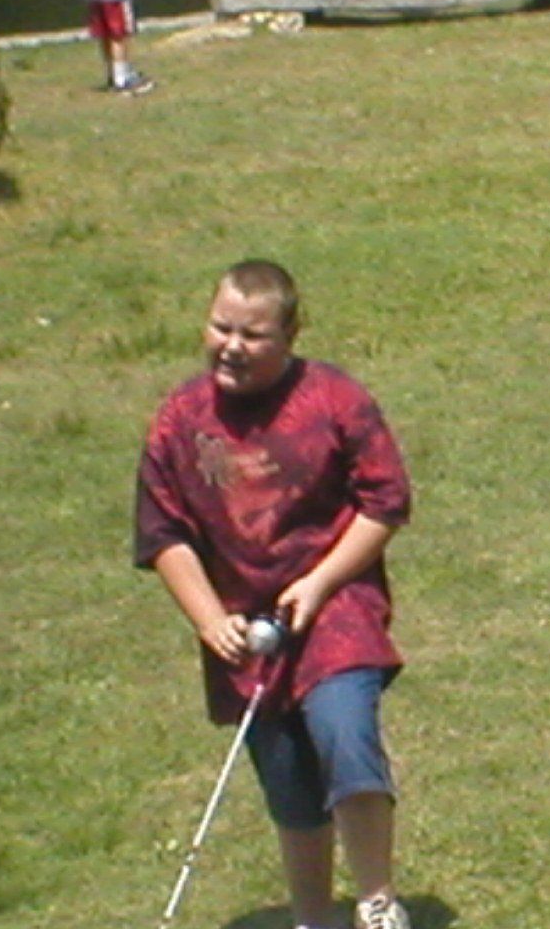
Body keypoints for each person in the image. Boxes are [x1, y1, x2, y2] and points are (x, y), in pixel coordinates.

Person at [134, 260, 413, 929]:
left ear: (290, 333)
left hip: (334, 608)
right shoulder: (180, 419)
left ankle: (376, 901)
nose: (231, 345)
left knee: (346, 736)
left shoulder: (334, 398)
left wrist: (320, 582)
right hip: (242, 626)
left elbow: (387, 500)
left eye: (252, 335)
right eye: (220, 327)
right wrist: (209, 620)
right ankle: (313, 917)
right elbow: (161, 531)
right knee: (289, 782)